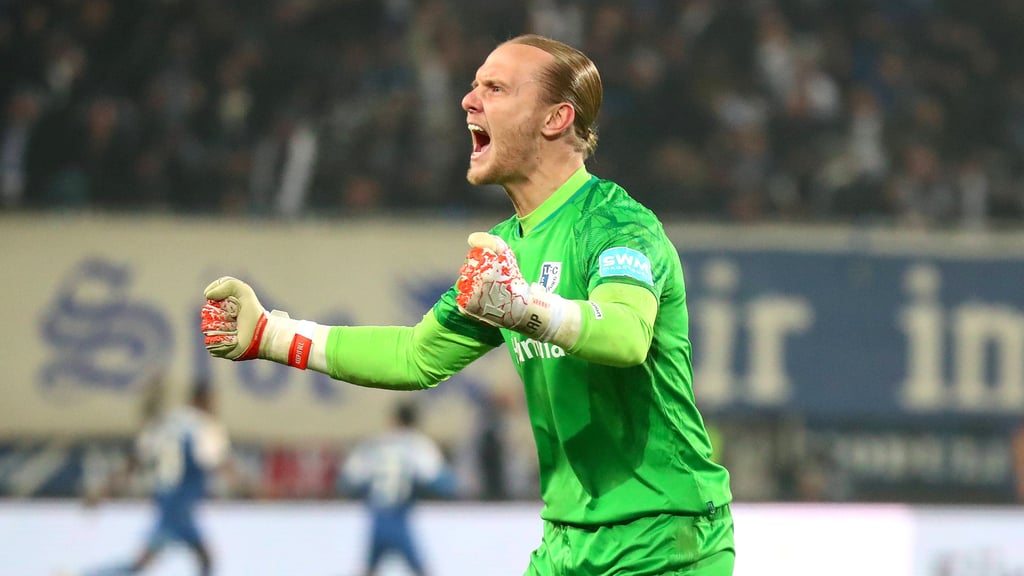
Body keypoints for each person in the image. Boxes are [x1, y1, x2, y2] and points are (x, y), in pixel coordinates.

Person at [200, 34, 735, 575]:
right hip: (566, 542)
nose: (468, 100)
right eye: (474, 85)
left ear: (555, 119)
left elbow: (625, 335)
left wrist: (526, 308)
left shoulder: (616, 223)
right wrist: (272, 335)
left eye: (495, 88)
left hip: (665, 537)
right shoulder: (505, 252)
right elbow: (415, 356)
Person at [76, 382, 244, 576]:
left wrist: (103, 490)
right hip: (181, 501)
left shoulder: (167, 422)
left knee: (193, 559)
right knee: (153, 562)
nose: (215, 406)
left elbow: (136, 460)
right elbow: (219, 462)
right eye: (212, 401)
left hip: (166, 497)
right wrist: (247, 487)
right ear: (201, 399)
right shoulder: (205, 426)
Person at [339, 401, 457, 576]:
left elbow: (347, 481)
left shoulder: (374, 444)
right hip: (399, 518)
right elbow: (441, 483)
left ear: (393, 420)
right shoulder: (418, 446)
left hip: (377, 517)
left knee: (369, 569)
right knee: (421, 570)